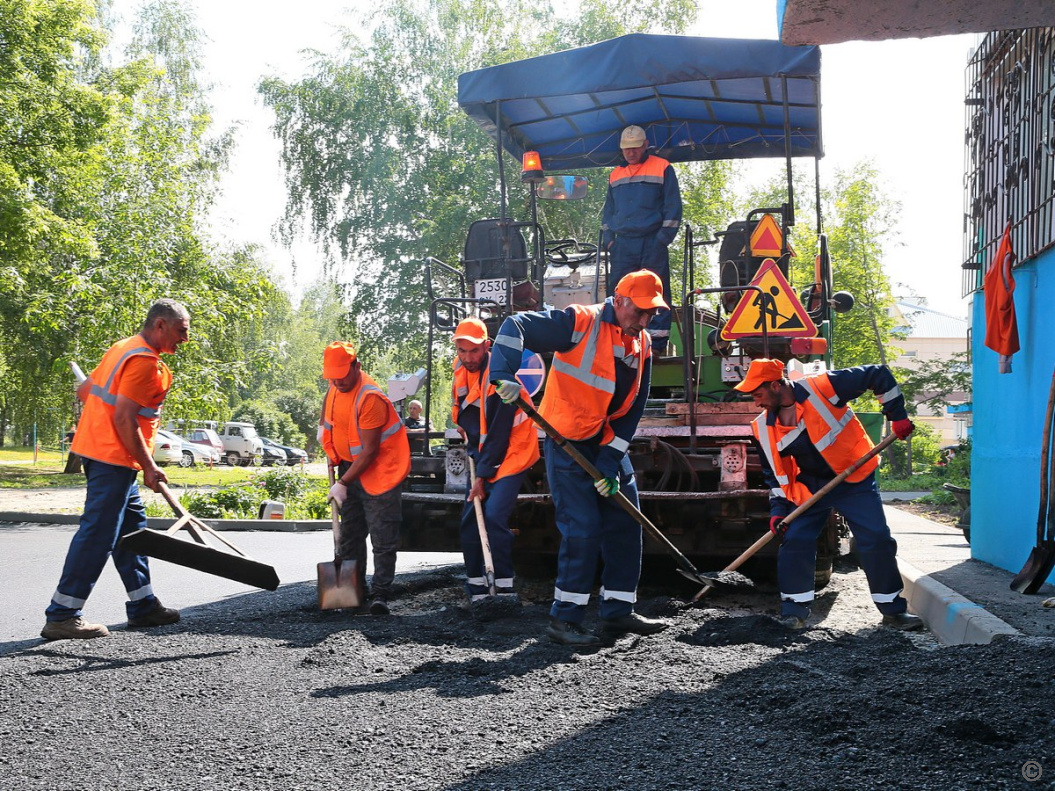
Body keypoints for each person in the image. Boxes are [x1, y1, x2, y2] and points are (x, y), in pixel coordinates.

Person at [489, 270, 671, 648]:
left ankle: (618, 610)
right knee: (583, 528)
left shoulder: (643, 342)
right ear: (619, 301)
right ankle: (564, 619)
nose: (645, 320)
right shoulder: (579, 322)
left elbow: (635, 407)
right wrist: (502, 373)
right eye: (639, 311)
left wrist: (609, 460)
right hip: (566, 441)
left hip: (604, 442)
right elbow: (515, 324)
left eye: (651, 313)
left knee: (625, 522)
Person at [734, 358, 924, 631]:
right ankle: (793, 613)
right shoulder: (762, 427)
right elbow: (774, 475)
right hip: (810, 487)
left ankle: (894, 612)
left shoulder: (822, 387)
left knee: (876, 539)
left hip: (853, 478)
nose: (757, 403)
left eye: (759, 394)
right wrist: (778, 511)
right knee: (795, 538)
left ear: (776, 385)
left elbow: (877, 374)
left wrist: (897, 416)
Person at [42, 299, 190, 640]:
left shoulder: (122, 348)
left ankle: (143, 606)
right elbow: (125, 418)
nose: (184, 339)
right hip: (112, 456)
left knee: (131, 532)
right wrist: (150, 466)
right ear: (160, 326)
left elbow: (85, 391)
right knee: (98, 535)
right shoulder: (143, 362)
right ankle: (62, 615)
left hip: (102, 452)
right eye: (182, 331)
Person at [450, 318, 540, 605]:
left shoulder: (499, 378)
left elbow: (500, 434)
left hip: (513, 452)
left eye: (473, 351)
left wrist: (481, 478)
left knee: (493, 517)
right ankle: (476, 586)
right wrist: (465, 431)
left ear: (487, 346)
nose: (467, 358)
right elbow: (465, 412)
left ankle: (504, 586)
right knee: (468, 520)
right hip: (485, 451)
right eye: (462, 351)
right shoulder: (460, 371)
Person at [320, 341, 410, 615]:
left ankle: (380, 594)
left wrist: (343, 483)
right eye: (333, 377)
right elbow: (329, 426)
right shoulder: (334, 390)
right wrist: (332, 455)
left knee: (382, 537)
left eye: (343, 375)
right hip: (351, 468)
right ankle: (351, 594)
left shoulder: (370, 397)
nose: (338, 381)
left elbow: (370, 450)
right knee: (351, 535)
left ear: (357, 366)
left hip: (382, 471)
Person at [601, 125, 682, 355]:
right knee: (618, 293)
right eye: (626, 149)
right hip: (623, 244)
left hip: (652, 241)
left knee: (655, 292)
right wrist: (610, 241)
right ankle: (615, 340)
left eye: (635, 148)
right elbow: (608, 211)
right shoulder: (615, 174)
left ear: (645, 145)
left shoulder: (662, 167)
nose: (631, 153)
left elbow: (673, 206)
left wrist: (662, 239)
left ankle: (655, 346)